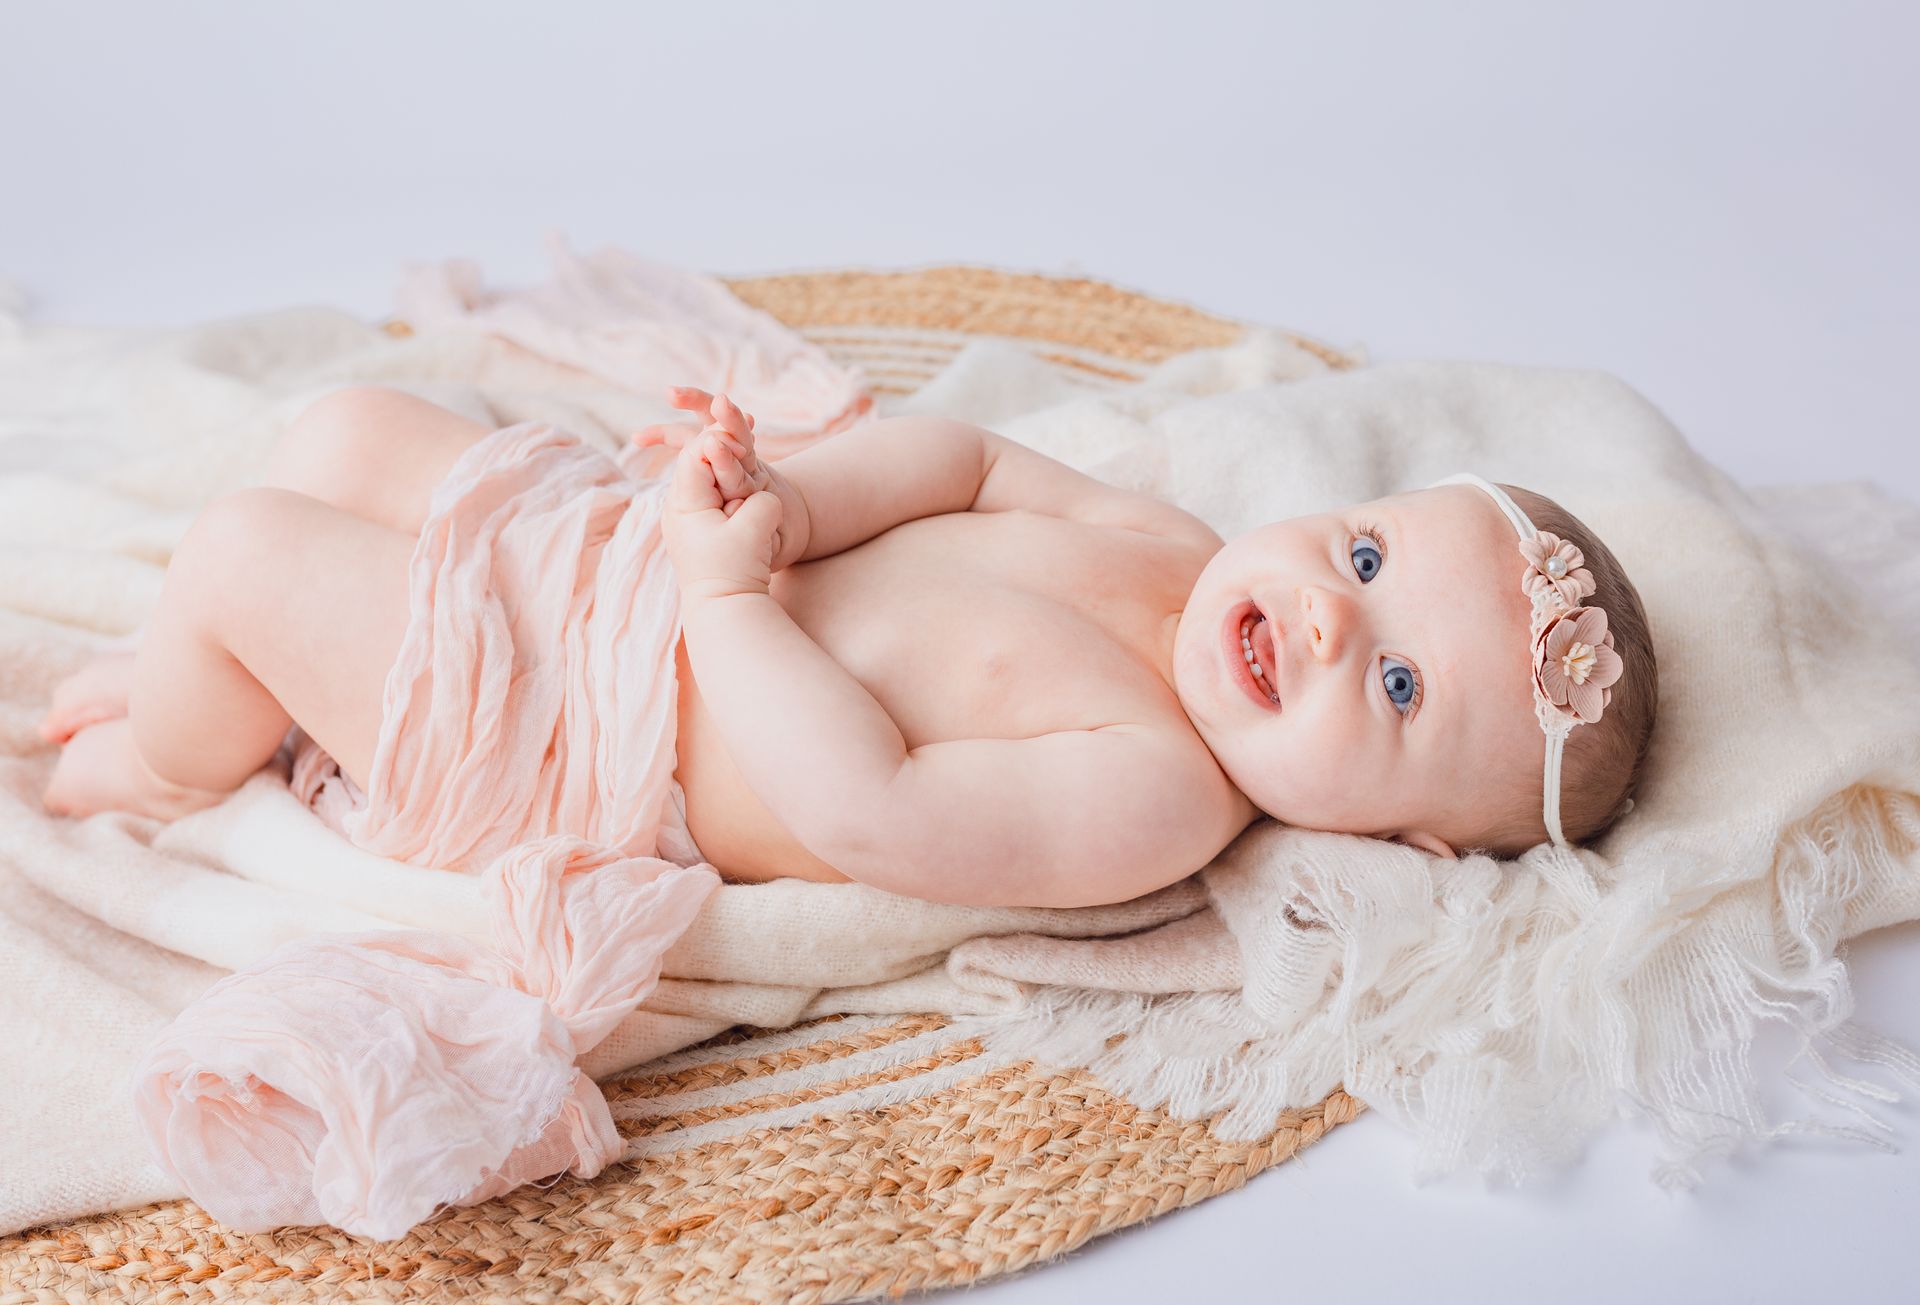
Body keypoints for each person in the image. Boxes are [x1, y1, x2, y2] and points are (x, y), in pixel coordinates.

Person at [39, 383, 1657, 908]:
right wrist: (792, 505)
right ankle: (229, 674)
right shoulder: (1175, 548)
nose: (1327, 613)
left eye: (1396, 684)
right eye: (1363, 556)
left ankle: (174, 761)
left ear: (1402, 838)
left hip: (590, 728)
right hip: (626, 567)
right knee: (339, 434)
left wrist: (732, 602)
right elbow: (968, 461)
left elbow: (870, 807)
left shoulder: (1161, 792)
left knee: (245, 554)